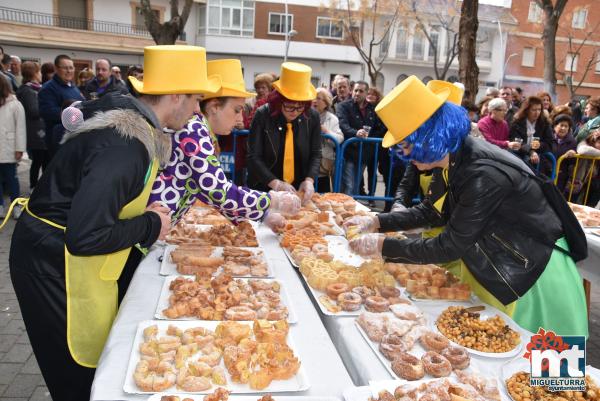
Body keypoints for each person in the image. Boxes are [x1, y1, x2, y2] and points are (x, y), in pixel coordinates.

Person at [6, 45, 211, 401]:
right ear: (176, 94)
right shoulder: (125, 144)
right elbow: (86, 236)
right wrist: (151, 223)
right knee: (77, 377)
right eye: (195, 99)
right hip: (51, 264)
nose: (197, 109)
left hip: (62, 257)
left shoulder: (134, 131)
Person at [345, 75, 588, 337]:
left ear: (428, 138)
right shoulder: (451, 157)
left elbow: (450, 245)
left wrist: (381, 246)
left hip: (533, 276)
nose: (405, 157)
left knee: (546, 372)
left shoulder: (481, 173)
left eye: (406, 145)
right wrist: (378, 221)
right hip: (504, 264)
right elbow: (431, 210)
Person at [149, 58, 300, 226]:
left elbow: (207, 191)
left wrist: (262, 214)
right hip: (147, 230)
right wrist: (271, 200)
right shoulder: (194, 130)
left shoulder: (198, 129)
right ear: (214, 107)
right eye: (236, 110)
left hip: (154, 225)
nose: (239, 118)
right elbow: (219, 191)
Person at [247, 62, 321, 204]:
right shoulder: (262, 114)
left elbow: (316, 153)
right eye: (289, 106)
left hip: (298, 187)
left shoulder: (312, 116)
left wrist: (309, 180)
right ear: (278, 101)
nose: (295, 112)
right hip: (264, 187)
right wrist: (276, 184)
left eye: (300, 107)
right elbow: (253, 156)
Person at [336, 80, 386, 196]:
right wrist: (356, 133)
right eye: (355, 90)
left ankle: (352, 207)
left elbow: (381, 126)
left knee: (356, 184)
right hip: (348, 151)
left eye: (361, 91)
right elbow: (342, 124)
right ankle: (348, 210)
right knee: (349, 183)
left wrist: (370, 140)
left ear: (366, 93)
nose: (357, 93)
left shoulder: (373, 109)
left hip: (364, 153)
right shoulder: (343, 106)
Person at [38, 54, 85, 159]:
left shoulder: (73, 87)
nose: (69, 71)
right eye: (65, 68)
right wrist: (74, 113)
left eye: (71, 68)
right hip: (59, 139)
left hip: (75, 138)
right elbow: (47, 111)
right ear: (56, 69)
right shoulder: (48, 88)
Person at [15, 61, 49, 190]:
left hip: (39, 130)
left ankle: (43, 187)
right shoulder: (29, 91)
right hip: (37, 133)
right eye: (39, 71)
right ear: (34, 73)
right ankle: (34, 187)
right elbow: (34, 111)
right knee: (39, 160)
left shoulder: (34, 88)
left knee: (45, 159)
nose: (41, 74)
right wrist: (47, 107)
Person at [0, 75, 26, 219]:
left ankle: (16, 206)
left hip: (9, 149)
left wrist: (19, 149)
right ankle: (0, 206)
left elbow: (20, 128)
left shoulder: (15, 104)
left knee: (12, 179)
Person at [312, 87, 344, 193]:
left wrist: (326, 132)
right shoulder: (305, 115)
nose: (314, 101)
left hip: (323, 163)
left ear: (326, 103)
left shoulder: (332, 118)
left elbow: (339, 138)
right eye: (313, 98)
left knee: (322, 194)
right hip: (306, 162)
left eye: (318, 98)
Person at [509, 95, 553, 169]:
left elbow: (550, 142)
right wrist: (530, 152)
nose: (537, 113)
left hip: (539, 155)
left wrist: (540, 145)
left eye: (539, 109)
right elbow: (517, 141)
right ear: (527, 110)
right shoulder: (517, 122)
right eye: (533, 110)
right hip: (520, 154)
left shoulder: (544, 123)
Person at [550, 114, 577, 193]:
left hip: (561, 176)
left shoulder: (572, 142)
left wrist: (573, 154)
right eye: (561, 125)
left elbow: (573, 162)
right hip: (547, 173)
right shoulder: (548, 138)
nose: (563, 128)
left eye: (566, 126)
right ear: (555, 126)